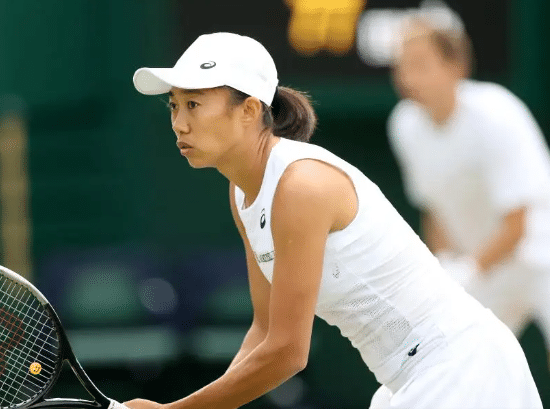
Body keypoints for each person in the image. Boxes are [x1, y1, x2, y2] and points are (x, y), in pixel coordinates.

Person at [127, 32, 542, 409]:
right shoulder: (242, 193)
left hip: (462, 368)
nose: (179, 123)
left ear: (249, 110)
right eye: (174, 105)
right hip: (416, 378)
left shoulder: (300, 187)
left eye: (194, 104)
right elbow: (265, 330)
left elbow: (287, 353)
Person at [388, 16, 550, 357]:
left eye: (420, 64)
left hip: (540, 256)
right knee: (457, 359)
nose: (407, 78)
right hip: (488, 269)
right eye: (401, 66)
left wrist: (468, 271)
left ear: (456, 66)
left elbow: (518, 223)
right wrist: (446, 264)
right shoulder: (404, 125)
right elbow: (434, 210)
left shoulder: (496, 114)